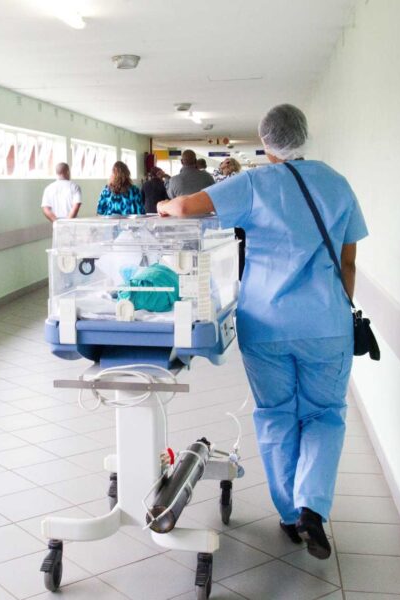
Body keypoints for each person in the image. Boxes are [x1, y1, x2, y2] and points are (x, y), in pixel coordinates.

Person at [157, 104, 368, 561]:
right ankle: (313, 505)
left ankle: (291, 516)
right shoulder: (337, 183)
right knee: (324, 414)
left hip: (266, 323)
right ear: (305, 135)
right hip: (327, 325)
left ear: (266, 141)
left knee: (275, 414)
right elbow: (348, 262)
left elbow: (187, 208)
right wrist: (335, 307)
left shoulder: (254, 183)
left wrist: (163, 202)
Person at [212, 157, 245, 279]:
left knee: (229, 248)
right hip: (240, 219)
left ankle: (231, 275)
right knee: (240, 247)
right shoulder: (241, 177)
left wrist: (220, 166)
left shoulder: (229, 178)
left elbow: (215, 175)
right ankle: (240, 274)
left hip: (227, 219)